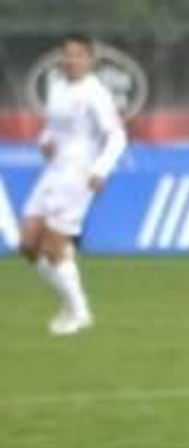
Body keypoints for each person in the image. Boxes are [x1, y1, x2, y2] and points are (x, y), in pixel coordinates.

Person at [17, 33, 126, 337]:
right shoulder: (58, 87)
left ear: (90, 59)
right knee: (27, 244)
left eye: (78, 54)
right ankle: (72, 303)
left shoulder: (96, 93)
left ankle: (79, 312)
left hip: (78, 175)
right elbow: (52, 129)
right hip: (53, 171)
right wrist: (44, 142)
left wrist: (101, 170)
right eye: (67, 53)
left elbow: (117, 136)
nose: (71, 59)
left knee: (53, 247)